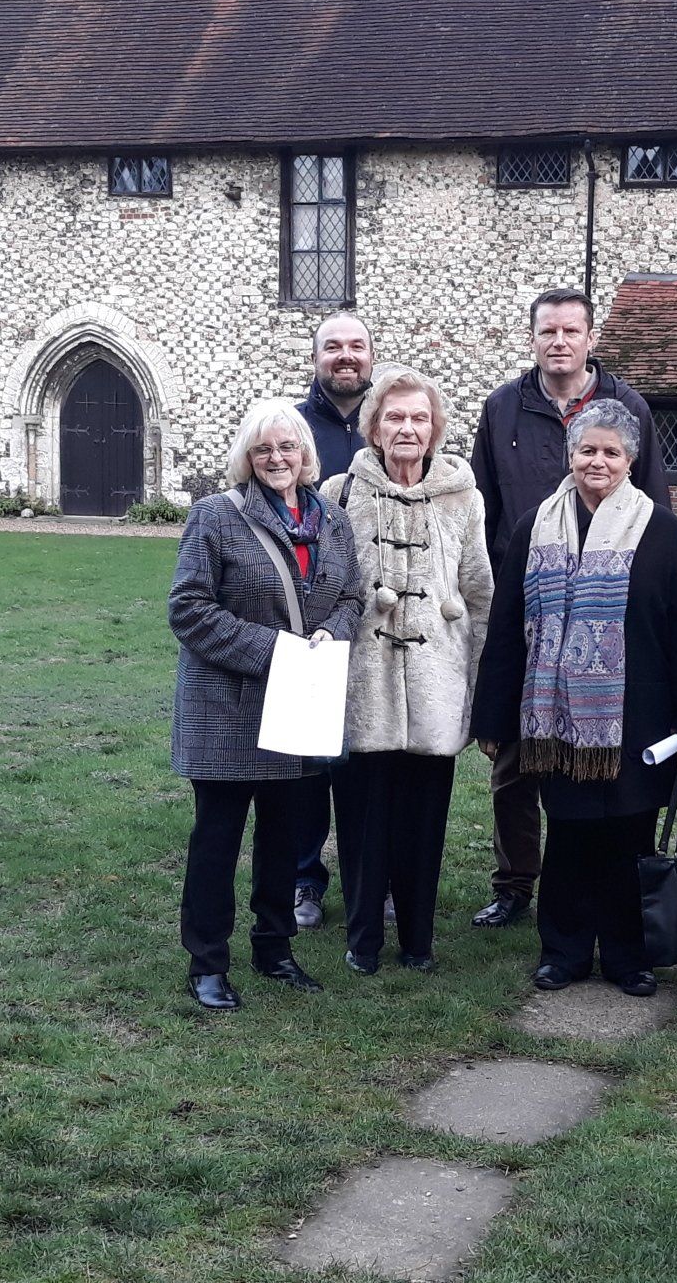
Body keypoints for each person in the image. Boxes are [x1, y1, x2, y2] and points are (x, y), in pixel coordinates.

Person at [472, 399, 677, 997]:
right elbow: (507, 626)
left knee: (629, 837)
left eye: (611, 451)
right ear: (570, 455)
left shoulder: (658, 527)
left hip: (636, 715)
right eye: (587, 450)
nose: (597, 461)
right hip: (555, 717)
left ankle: (628, 955)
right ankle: (564, 951)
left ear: (630, 459)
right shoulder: (536, 525)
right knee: (570, 837)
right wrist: (495, 716)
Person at [468, 287, 674, 929]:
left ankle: (608, 889)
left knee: (599, 766)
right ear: (532, 339)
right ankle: (515, 880)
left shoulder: (626, 405)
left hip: (607, 622)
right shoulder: (503, 409)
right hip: (529, 610)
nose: (559, 342)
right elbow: (484, 511)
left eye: (571, 332)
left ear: (591, 340)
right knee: (516, 765)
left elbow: (656, 505)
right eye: (547, 332)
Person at [168, 398, 365, 1011]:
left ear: (306, 453)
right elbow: (189, 609)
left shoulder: (332, 519)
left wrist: (332, 632)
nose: (277, 458)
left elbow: (353, 596)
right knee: (218, 840)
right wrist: (276, 649)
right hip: (227, 707)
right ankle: (207, 962)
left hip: (298, 706)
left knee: (284, 839)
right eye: (263, 449)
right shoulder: (214, 518)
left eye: (287, 447)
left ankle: (275, 948)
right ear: (247, 458)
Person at [321, 367, 494, 974]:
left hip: (436, 681)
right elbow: (320, 586)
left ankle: (418, 939)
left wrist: (475, 685)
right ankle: (362, 939)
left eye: (419, 417)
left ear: (435, 428)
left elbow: (479, 595)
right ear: (373, 426)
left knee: (424, 820)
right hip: (361, 682)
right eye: (394, 417)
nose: (407, 428)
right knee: (363, 819)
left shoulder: (462, 499)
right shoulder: (340, 493)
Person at [290, 311, 375, 930]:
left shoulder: (390, 423)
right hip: (312, 623)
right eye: (333, 348)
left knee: (367, 769)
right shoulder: (295, 428)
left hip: (379, 626)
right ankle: (303, 880)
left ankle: (371, 881)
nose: (345, 357)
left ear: (371, 357)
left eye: (356, 347)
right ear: (315, 357)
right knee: (306, 768)